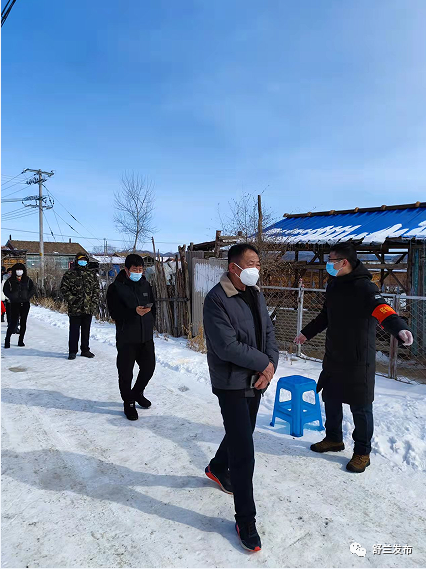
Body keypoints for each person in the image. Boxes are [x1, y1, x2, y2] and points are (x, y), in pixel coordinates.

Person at [294, 242, 413, 473]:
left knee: (360, 407)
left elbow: (382, 309)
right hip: (334, 354)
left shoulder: (365, 287)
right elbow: (325, 316)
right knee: (331, 399)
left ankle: (362, 452)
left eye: (331, 260)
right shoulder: (334, 285)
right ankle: (334, 439)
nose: (328, 264)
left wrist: (399, 327)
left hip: (358, 358)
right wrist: (305, 333)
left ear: (344, 262)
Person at [203, 243, 279, 553]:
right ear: (234, 266)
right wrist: (263, 364)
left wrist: (269, 366)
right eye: (250, 263)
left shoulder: (256, 293)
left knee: (242, 433)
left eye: (258, 264)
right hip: (232, 383)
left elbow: (269, 333)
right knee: (245, 453)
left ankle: (217, 468)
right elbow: (227, 347)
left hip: (256, 381)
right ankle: (245, 519)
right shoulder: (216, 299)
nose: (255, 269)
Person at [106, 253, 156, 421]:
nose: (138, 272)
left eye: (141, 269)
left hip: (146, 336)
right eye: (135, 269)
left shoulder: (145, 285)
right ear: (126, 269)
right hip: (127, 337)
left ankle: (136, 393)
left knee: (149, 368)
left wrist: (150, 321)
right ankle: (129, 403)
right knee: (126, 373)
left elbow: (153, 305)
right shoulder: (116, 288)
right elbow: (114, 312)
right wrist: (133, 312)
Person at [60, 252, 100, 360]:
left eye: (84, 260)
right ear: (76, 260)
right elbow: (64, 289)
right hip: (75, 308)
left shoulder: (92, 275)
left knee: (86, 330)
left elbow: (96, 290)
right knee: (74, 330)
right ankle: (72, 351)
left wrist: (94, 303)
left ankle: (85, 350)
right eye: (80, 259)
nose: (83, 262)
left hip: (88, 308)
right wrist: (72, 300)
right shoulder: (69, 274)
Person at [3, 263, 35, 348]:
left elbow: (32, 289)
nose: (19, 272)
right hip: (14, 303)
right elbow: (5, 290)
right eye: (17, 270)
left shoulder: (27, 280)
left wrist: (28, 297)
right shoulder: (10, 281)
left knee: (23, 322)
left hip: (25, 303)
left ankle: (21, 340)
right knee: (13, 322)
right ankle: (7, 340)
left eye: (21, 270)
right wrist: (11, 297)